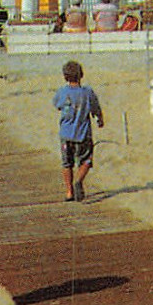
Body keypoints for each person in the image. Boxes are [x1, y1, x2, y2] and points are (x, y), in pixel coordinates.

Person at [54, 60, 103, 202]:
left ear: (65, 76)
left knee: (66, 163)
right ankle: (79, 180)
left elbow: (57, 105)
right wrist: (100, 119)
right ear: (81, 75)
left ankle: (69, 191)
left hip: (66, 134)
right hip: (83, 133)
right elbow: (96, 108)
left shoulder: (62, 92)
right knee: (86, 160)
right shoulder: (87, 93)